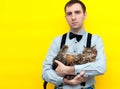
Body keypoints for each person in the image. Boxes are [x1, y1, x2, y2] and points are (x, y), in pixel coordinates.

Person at [42, 0, 106, 89]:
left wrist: (70, 70)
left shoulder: (95, 39)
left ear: (85, 15)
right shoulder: (57, 41)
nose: (73, 17)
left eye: (77, 12)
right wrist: (65, 81)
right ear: (66, 17)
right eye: (69, 14)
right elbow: (45, 72)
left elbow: (101, 67)